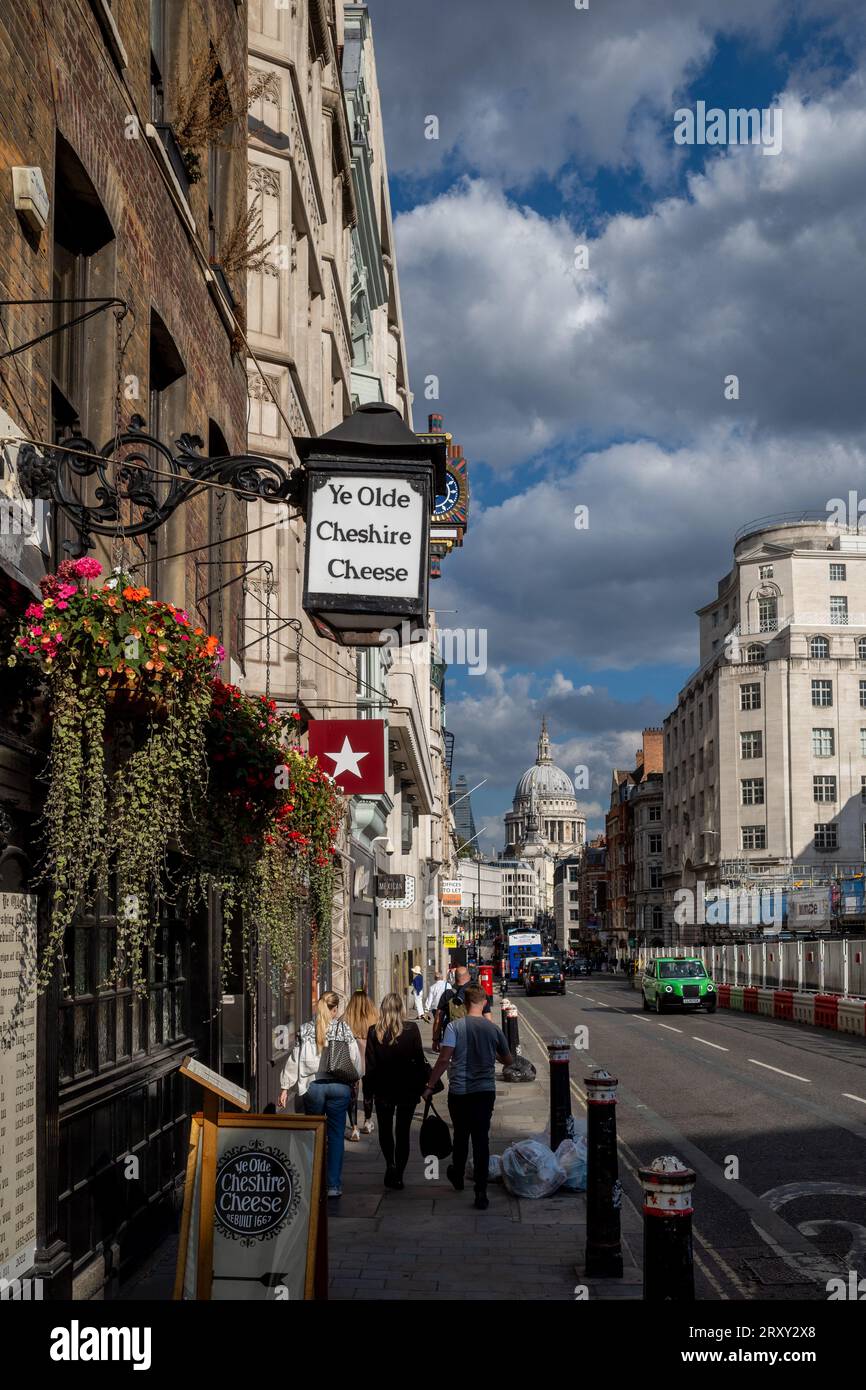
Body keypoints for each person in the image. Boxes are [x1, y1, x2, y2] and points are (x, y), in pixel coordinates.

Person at [422, 985, 512, 1210]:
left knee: (461, 1135)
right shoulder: (493, 1029)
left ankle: (459, 1175)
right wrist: (495, 1056)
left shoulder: (454, 1027)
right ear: (483, 1003)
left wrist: (429, 1085)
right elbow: (509, 1060)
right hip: (484, 1092)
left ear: (467, 1003)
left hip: (460, 1091)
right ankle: (481, 1191)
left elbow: (443, 1060)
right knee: (481, 1139)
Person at [279, 991, 361, 1198]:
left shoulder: (306, 1029)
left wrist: (285, 1087)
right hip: (339, 1087)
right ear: (335, 1010)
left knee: (312, 1134)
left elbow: (295, 1059)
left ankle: (311, 1181)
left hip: (313, 1086)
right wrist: (356, 1077)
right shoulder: (344, 1029)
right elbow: (356, 1062)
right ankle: (333, 1185)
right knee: (335, 1136)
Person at [364, 993, 427, 1190]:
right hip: (407, 1090)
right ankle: (399, 1173)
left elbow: (370, 1066)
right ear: (401, 1009)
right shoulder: (411, 1029)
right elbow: (419, 1060)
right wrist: (424, 1086)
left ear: (383, 1009)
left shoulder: (374, 1032)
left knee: (385, 1130)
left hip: (383, 1090)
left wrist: (368, 1093)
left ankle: (390, 1164)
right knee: (402, 1132)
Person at [342, 988, 378, 1141]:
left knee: (352, 1094)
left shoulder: (345, 1018)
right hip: (369, 1061)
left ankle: (354, 1128)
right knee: (369, 1092)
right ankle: (368, 1121)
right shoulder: (374, 1017)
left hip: (351, 1061)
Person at [432, 964, 491, 1051]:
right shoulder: (479, 993)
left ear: (455, 978)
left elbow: (438, 1019)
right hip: (475, 1037)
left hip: (453, 1038)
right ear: (468, 976)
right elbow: (488, 1019)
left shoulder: (448, 994)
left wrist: (436, 1040)